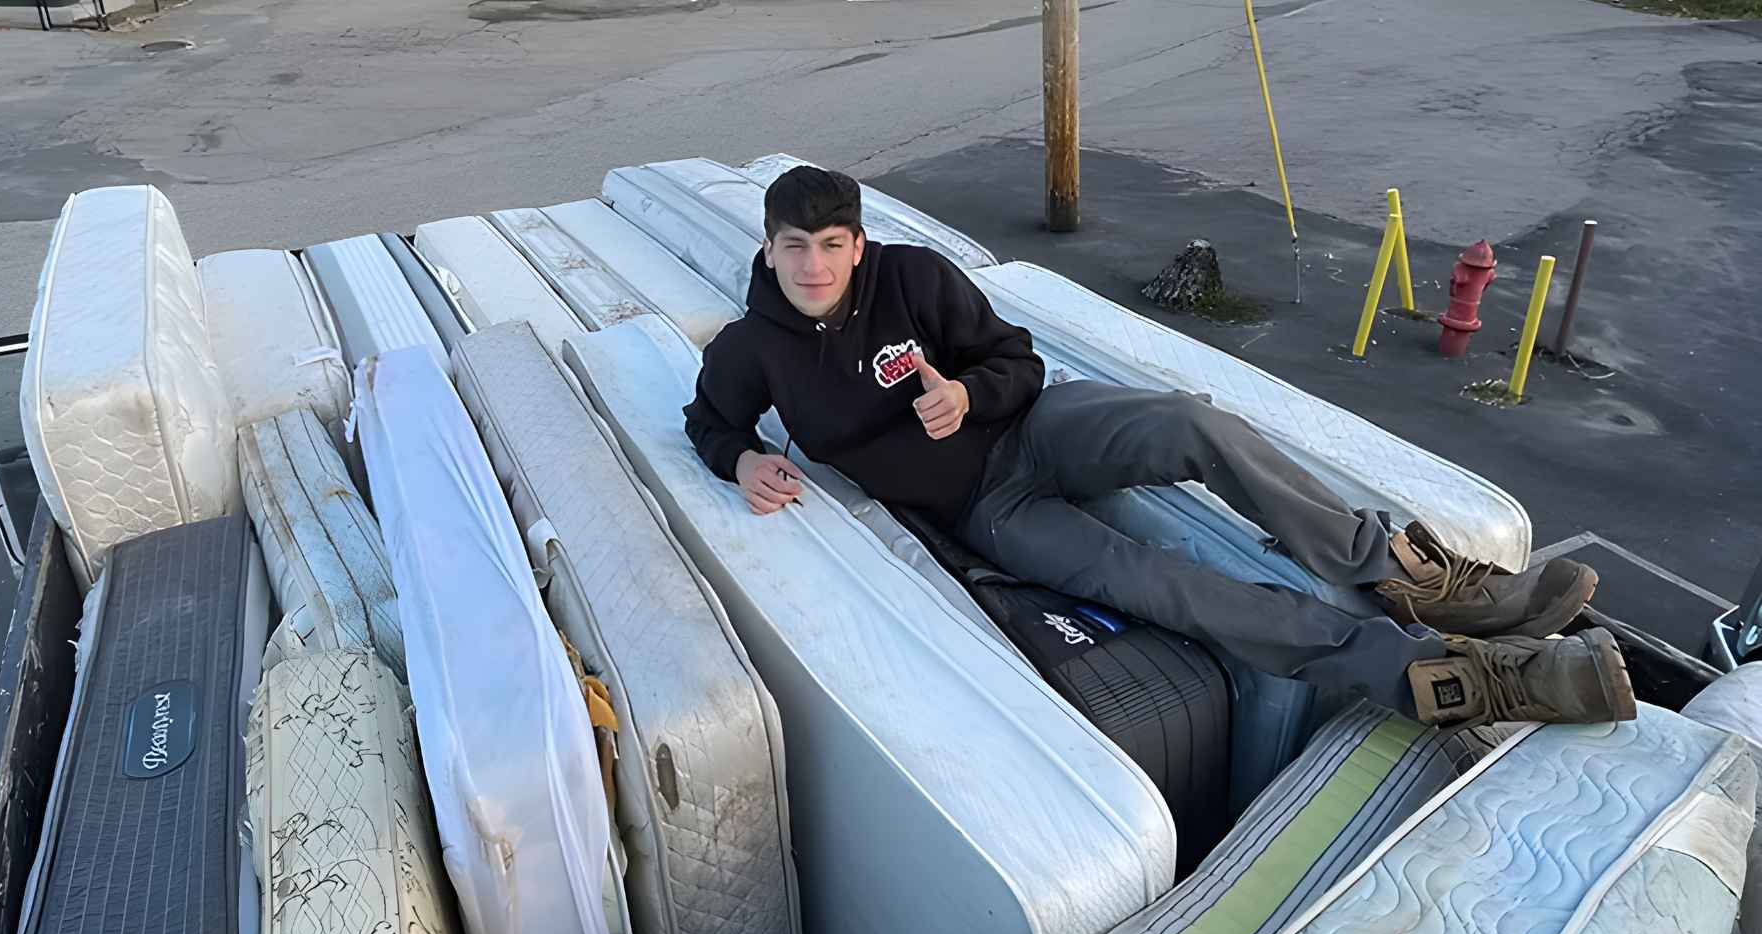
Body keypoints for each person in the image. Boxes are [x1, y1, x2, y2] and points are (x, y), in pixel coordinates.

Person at [682, 165, 1636, 728]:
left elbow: (1014, 358)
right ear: (768, 249)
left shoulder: (914, 279)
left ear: (859, 243)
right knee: (1161, 584)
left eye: (832, 244)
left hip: (1035, 429)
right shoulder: (752, 348)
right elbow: (709, 422)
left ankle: (1412, 573)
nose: (813, 265)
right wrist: (742, 460)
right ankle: (1451, 674)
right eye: (793, 246)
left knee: (1193, 420)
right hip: (989, 511)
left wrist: (969, 391)